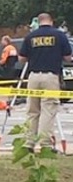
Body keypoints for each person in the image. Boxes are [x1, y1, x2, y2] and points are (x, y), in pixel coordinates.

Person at [19, 13, 72, 153]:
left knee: (32, 110)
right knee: (48, 110)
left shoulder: (31, 36)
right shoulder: (59, 35)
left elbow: (22, 58)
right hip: (51, 76)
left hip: (33, 76)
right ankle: (45, 144)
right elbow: (68, 57)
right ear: (51, 21)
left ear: (39, 22)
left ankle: (28, 143)